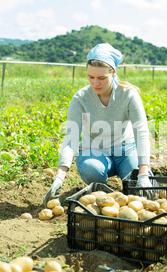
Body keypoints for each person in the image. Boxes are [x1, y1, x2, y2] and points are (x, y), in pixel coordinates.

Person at [43, 43, 153, 204]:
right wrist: (60, 176)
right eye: (91, 77)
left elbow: (141, 131)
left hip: (125, 149)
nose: (95, 83)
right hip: (94, 151)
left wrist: (143, 171)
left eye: (102, 78)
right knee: (91, 169)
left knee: (137, 184)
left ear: (113, 73)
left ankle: (134, 179)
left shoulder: (128, 95)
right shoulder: (80, 98)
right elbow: (71, 137)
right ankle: (104, 194)